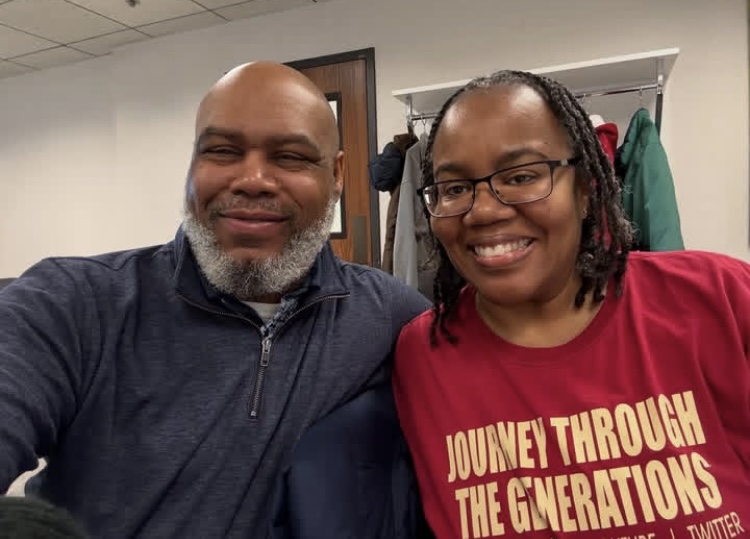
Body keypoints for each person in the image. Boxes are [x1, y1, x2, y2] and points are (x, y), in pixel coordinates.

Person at [0, 62, 431, 537]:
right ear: (192, 165)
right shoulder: (71, 304)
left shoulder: (390, 317)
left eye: (290, 157)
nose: (253, 179)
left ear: (337, 174)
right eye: (223, 151)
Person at [392, 70, 750, 539]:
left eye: (522, 176)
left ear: (585, 189)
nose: (483, 211)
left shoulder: (719, 299)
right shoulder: (420, 356)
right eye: (454, 188)